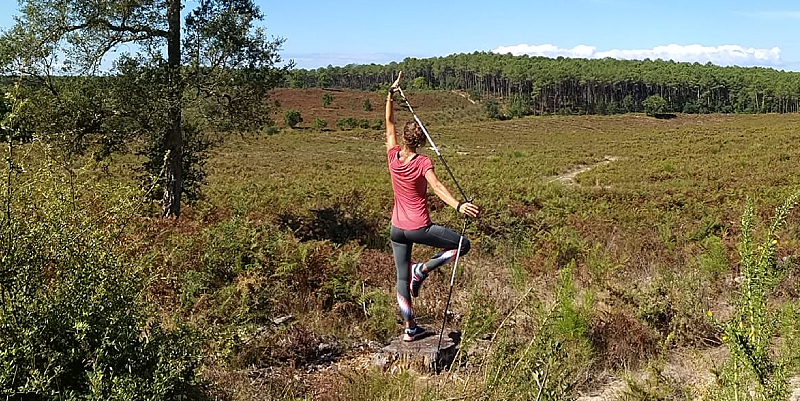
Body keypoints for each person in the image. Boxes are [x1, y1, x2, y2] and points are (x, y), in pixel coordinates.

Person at [384, 72, 480, 342]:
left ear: (404, 138)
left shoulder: (393, 156)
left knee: (401, 279)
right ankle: (423, 270)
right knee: (462, 245)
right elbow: (437, 186)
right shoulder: (423, 162)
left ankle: (409, 328)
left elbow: (389, 124)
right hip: (419, 227)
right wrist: (459, 205)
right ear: (421, 141)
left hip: (397, 229)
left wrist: (390, 95)